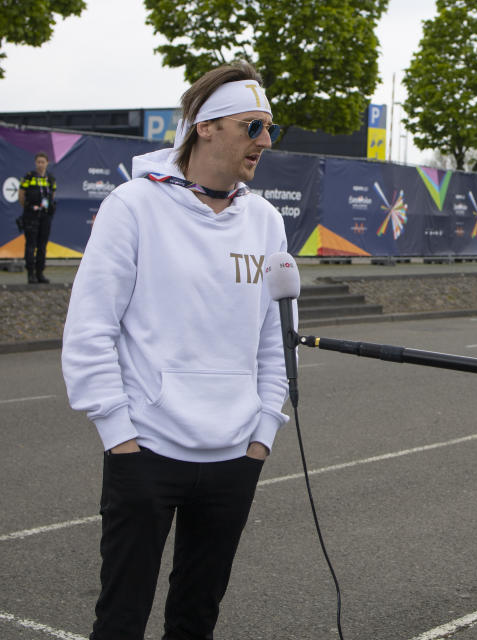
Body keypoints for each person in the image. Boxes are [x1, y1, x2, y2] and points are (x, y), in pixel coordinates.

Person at [61, 60, 289, 640]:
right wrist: (119, 433)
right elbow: (91, 329)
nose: (265, 141)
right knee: (120, 620)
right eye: (252, 127)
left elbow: (274, 337)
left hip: (235, 455)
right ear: (206, 127)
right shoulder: (133, 206)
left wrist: (263, 431)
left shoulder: (264, 220)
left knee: (196, 619)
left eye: (269, 128)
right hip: (147, 453)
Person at [18, 151, 57, 284]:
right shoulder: (29, 177)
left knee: (42, 245)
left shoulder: (50, 178)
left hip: (45, 216)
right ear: (35, 163)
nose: (40, 164)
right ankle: (31, 274)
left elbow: (52, 196)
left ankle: (40, 273)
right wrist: (29, 208)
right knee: (30, 245)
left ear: (47, 163)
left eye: (43, 162)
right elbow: (21, 196)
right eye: (38, 162)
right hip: (31, 215)